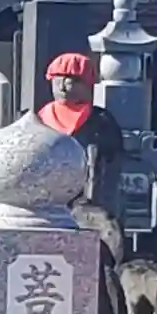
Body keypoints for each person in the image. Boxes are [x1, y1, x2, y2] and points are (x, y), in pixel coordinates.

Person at [36, 50, 125, 211]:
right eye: (57, 81)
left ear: (87, 84)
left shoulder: (101, 121)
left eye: (71, 82)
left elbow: (111, 169)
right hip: (45, 202)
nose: (62, 87)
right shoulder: (38, 119)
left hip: (86, 205)